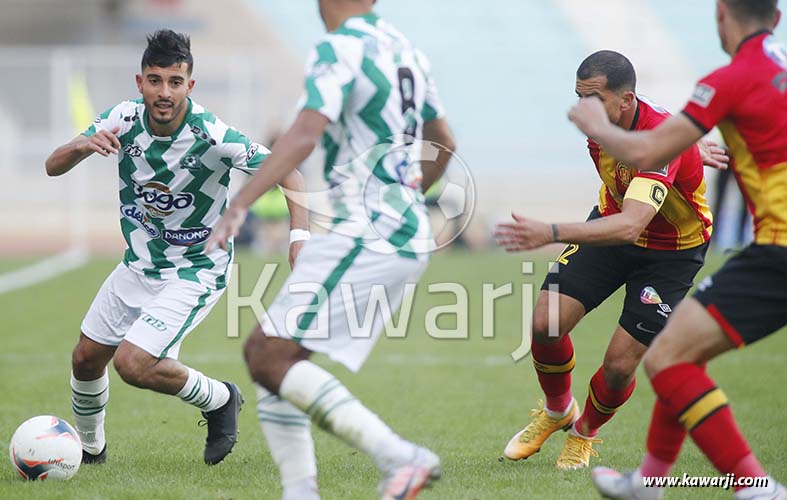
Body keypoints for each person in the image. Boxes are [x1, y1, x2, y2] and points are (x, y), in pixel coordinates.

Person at [206, 1, 456, 498]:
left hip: (368, 231)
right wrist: (407, 197)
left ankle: (400, 457)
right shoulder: (406, 50)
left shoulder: (339, 47)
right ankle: (301, 491)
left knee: (266, 356)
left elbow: (304, 133)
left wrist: (241, 203)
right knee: (274, 358)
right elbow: (444, 140)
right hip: (391, 228)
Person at [44, 30, 308, 466]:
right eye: (155, 80)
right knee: (85, 359)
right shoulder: (122, 119)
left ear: (190, 85)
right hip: (138, 266)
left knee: (133, 363)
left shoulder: (211, 134)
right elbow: (53, 166)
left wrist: (300, 240)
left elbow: (290, 173)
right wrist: (80, 146)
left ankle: (221, 398)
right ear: (140, 82)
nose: (164, 92)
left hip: (196, 268)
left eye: (174, 81)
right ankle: (90, 453)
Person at [569, 1, 787, 498]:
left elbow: (648, 149)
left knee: (668, 358)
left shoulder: (728, 80)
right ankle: (649, 481)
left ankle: (754, 486)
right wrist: (687, 145)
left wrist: (595, 124)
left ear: (721, 15)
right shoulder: (778, 68)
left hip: (779, 248)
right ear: (776, 20)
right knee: (680, 351)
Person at [495, 50, 718, 471]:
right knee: (545, 323)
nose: (584, 108)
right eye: (579, 97)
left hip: (670, 253)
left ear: (625, 99)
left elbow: (632, 225)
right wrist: (687, 148)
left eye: (594, 98)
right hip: (611, 224)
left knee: (618, 366)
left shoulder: (658, 137)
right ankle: (558, 410)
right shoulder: (604, 120)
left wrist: (550, 232)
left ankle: (583, 434)